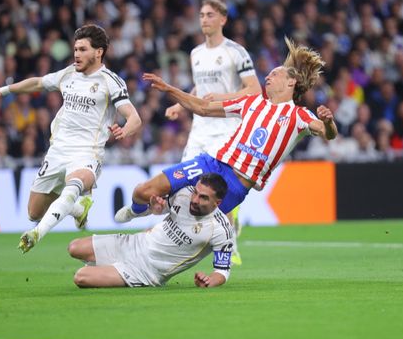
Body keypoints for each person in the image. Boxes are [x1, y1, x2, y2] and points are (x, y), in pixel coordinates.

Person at [116, 37, 337, 225]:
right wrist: (169, 89)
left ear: (291, 82)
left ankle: (171, 213)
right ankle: (140, 209)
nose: (267, 77)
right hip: (211, 164)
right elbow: (203, 108)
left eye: (275, 74)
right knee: (143, 191)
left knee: (184, 228)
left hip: (235, 185)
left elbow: (328, 134)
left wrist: (328, 122)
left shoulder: (299, 116)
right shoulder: (252, 102)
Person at [0, 24, 141, 253]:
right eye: (75, 48)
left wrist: (125, 131)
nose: (76, 54)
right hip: (57, 151)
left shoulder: (110, 81)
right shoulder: (68, 74)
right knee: (33, 212)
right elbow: (37, 82)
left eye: (83, 49)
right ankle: (78, 209)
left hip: (87, 152)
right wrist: (3, 90)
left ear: (99, 52)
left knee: (72, 188)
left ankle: (37, 234)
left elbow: (134, 117)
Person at [165, 0, 260, 264]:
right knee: (183, 184)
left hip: (227, 129)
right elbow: (200, 89)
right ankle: (182, 243)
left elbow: (254, 89)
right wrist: (180, 105)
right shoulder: (195, 54)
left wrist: (224, 97)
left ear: (223, 19)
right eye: (201, 15)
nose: (204, 20)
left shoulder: (236, 52)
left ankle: (230, 245)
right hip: (200, 129)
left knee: (222, 188)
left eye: (209, 15)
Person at [68, 173, 235, 288]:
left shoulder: (221, 229)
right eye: (196, 193)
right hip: (134, 243)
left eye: (203, 197)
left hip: (145, 272)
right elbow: (158, 209)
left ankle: (111, 272)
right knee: (74, 248)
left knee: (81, 276)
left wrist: (209, 281)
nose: (195, 200)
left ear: (217, 203)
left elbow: (222, 271)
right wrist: (154, 209)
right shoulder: (184, 193)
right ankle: (108, 268)